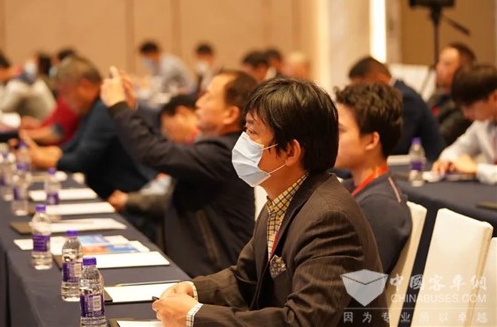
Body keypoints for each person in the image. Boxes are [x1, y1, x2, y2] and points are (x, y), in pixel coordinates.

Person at [152, 78, 387, 327]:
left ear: (290, 152)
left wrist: (195, 316)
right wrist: (193, 290)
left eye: (253, 132)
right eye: (246, 129)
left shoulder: (329, 218)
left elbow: (302, 322)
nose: (242, 141)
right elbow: (246, 277)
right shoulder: (281, 199)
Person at [101, 68, 257, 277]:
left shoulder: (225, 153)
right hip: (200, 270)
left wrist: (118, 107)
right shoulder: (220, 147)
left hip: (214, 278)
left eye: (207, 96)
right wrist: (130, 110)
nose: (198, 103)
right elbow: (160, 147)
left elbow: (153, 152)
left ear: (230, 114)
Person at [20, 56, 154, 197]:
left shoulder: (103, 107)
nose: (64, 100)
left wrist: (42, 158)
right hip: (109, 190)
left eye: (66, 92)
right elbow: (72, 147)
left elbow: (81, 161)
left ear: (84, 85)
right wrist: (38, 152)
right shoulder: (92, 106)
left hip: (125, 194)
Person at [334, 83, 412, 273]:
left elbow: (363, 287)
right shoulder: (349, 186)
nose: (330, 138)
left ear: (371, 140)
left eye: (339, 131)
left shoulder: (382, 207)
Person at [108, 94, 200, 247]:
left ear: (181, 113)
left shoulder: (200, 148)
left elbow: (170, 200)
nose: (168, 136)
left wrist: (130, 200)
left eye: (167, 129)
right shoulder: (190, 145)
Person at [349, 56, 444, 160]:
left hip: (425, 163)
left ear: (380, 79)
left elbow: (399, 143)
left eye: (362, 88)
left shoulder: (405, 98)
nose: (360, 95)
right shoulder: (395, 95)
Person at [432, 64, 497, 185]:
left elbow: (473, 168)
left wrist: (477, 169)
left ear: (494, 97)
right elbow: (455, 150)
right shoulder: (482, 124)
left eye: (469, 107)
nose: (466, 115)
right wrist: (446, 162)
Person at [0, 47, 56, 120]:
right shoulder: (19, 76)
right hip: (41, 123)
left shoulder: (18, 82)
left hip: (46, 125)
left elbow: (3, 110)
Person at [427, 42, 476, 145]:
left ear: (462, 70)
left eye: (446, 64)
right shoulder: (437, 96)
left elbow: (440, 138)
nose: (438, 68)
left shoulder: (465, 105)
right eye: (439, 62)